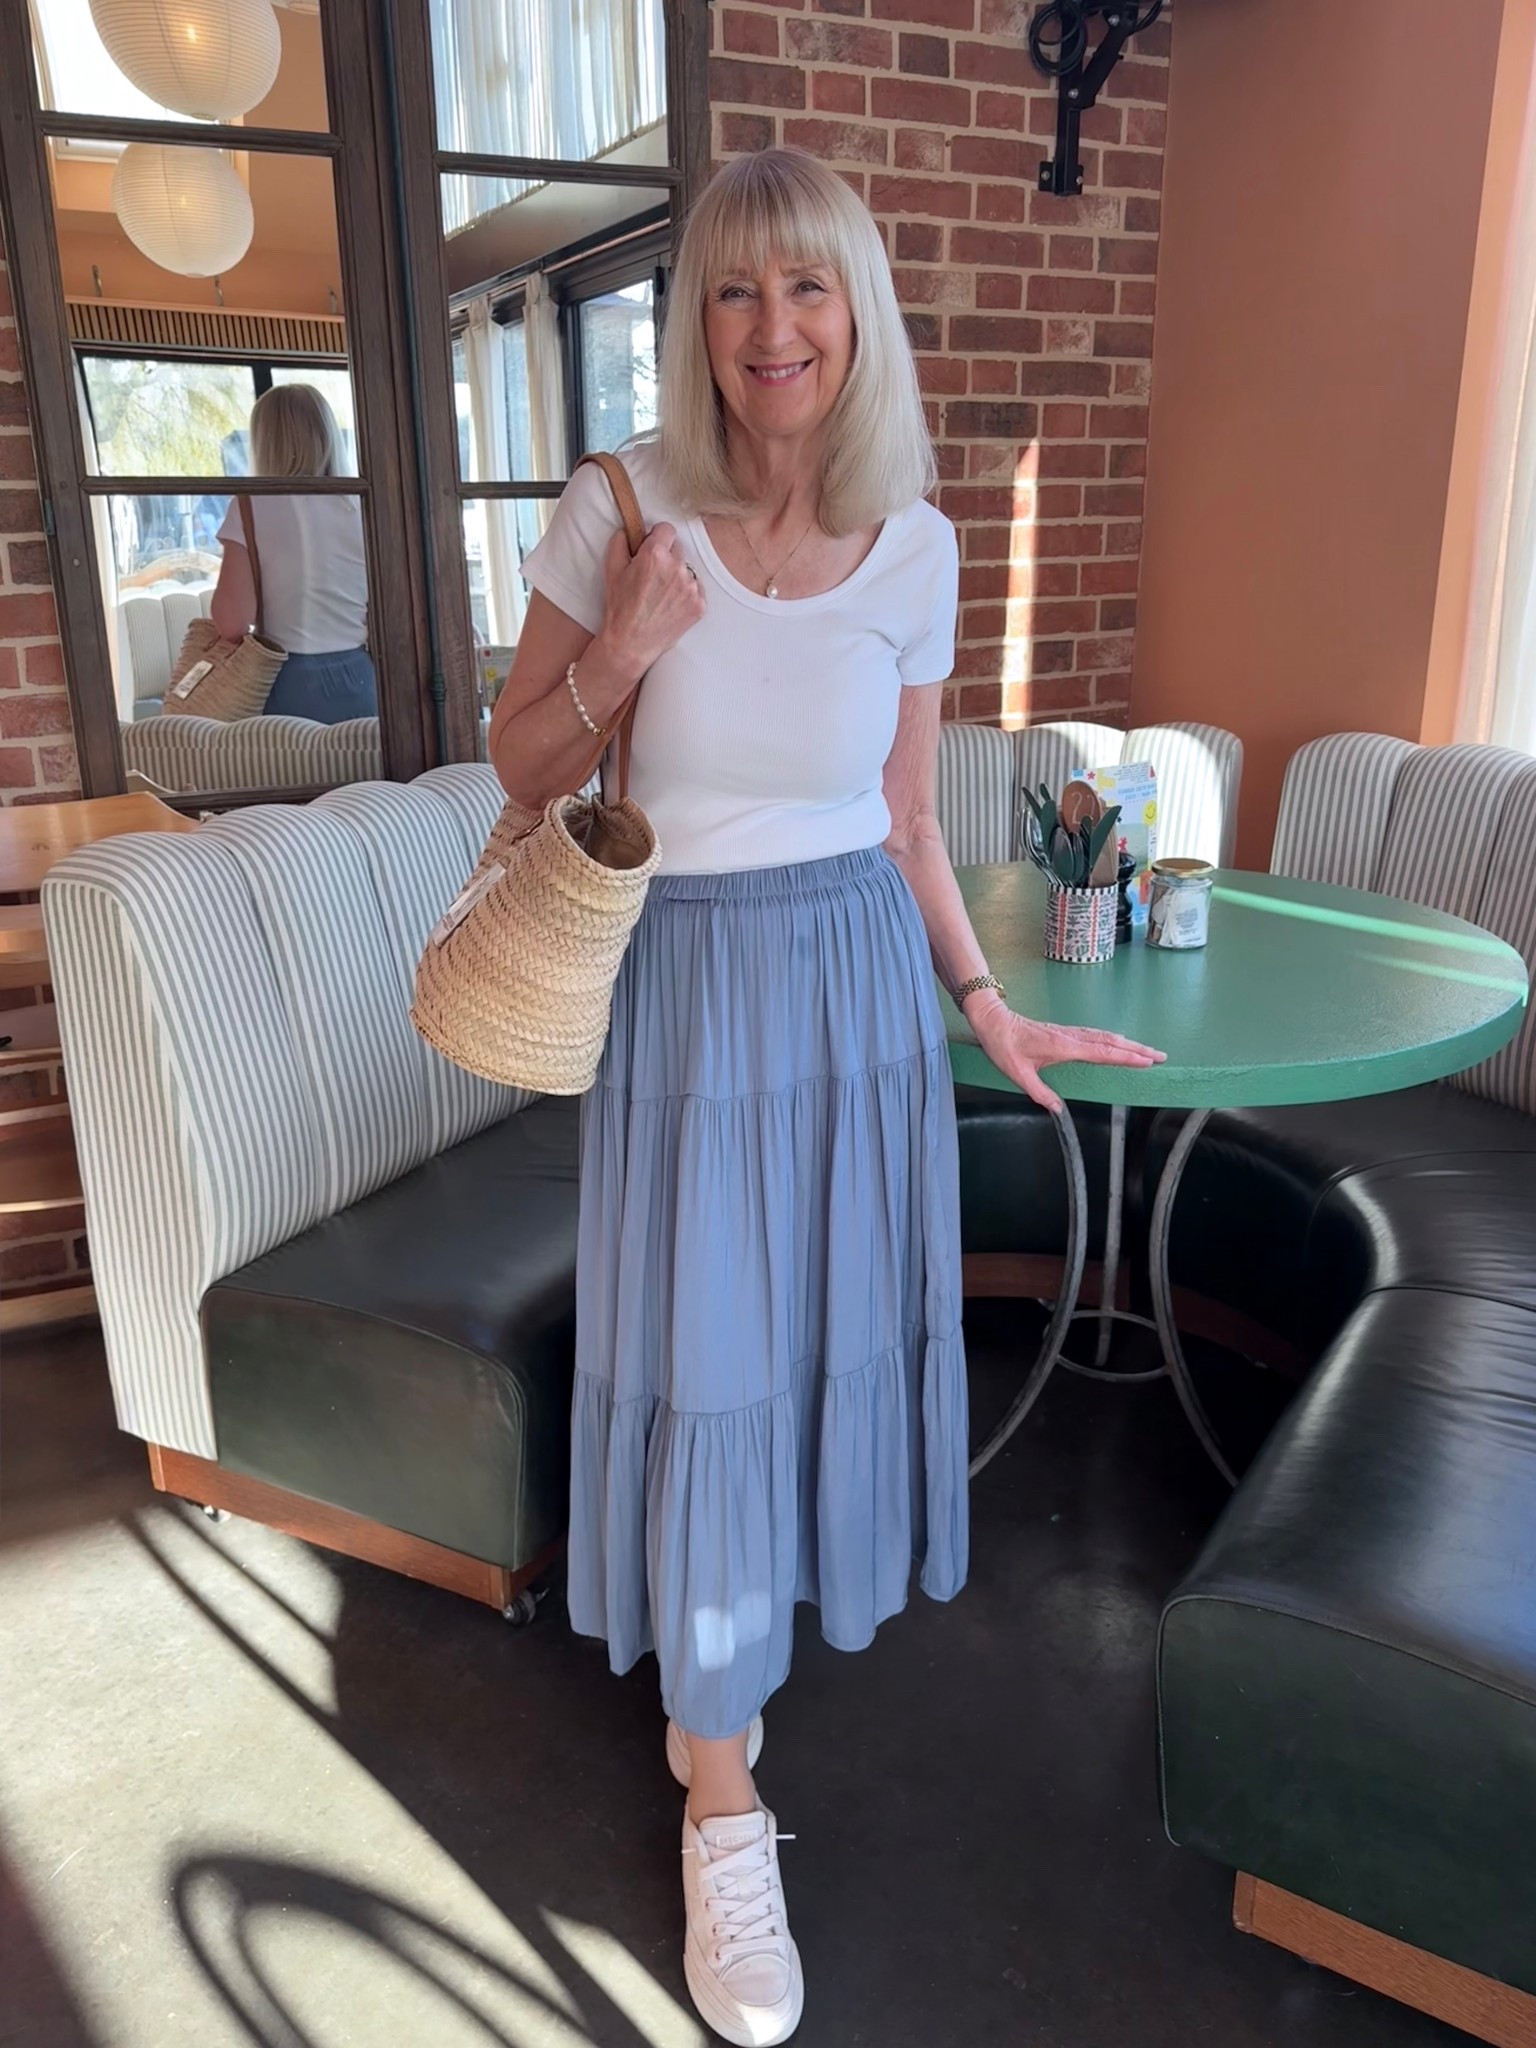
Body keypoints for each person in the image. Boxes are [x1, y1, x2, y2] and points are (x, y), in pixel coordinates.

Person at [490, 148, 1163, 2047]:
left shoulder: (920, 543)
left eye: (806, 291)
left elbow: (905, 822)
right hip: (690, 999)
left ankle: (738, 1670)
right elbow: (514, 764)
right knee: (711, 1364)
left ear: (856, 314)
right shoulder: (619, 505)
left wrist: (985, 1003)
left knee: (815, 1353)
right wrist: (625, 642)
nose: (771, 330)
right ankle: (724, 1800)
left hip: (865, 992)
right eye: (731, 292)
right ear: (693, 319)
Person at [209, 384, 377, 725]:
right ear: (327, 434)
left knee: (297, 775)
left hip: (287, 684)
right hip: (362, 677)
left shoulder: (249, 506)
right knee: (365, 775)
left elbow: (231, 622)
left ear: (263, 440)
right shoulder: (364, 505)